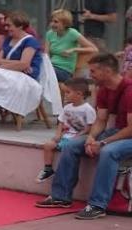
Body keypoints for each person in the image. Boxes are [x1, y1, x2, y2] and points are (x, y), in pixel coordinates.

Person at [39, 53, 132, 218]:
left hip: (128, 134)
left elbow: (131, 129)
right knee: (71, 145)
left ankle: (97, 205)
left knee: (108, 152)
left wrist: (102, 143)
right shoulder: (103, 90)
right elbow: (101, 120)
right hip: (118, 132)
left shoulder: (130, 91)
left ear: (107, 71)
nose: (90, 75)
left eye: (93, 71)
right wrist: (91, 138)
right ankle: (60, 196)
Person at [0, 11, 46, 130]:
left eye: (9, 25)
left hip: (26, 79)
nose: (6, 28)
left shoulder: (30, 41)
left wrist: (7, 65)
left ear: (20, 26)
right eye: (6, 25)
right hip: (11, 74)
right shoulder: (8, 40)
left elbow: (24, 64)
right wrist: (15, 64)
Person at [38, 79, 96, 182]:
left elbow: (90, 127)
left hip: (79, 137)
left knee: (68, 149)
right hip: (66, 136)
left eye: (68, 92)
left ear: (79, 94)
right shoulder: (67, 107)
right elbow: (61, 122)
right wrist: (58, 134)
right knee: (48, 145)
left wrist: (78, 136)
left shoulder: (88, 109)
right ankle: (48, 169)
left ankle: (68, 175)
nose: (65, 95)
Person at [45, 9, 97, 83]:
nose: (52, 24)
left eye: (55, 22)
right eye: (51, 21)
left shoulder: (72, 33)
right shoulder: (50, 34)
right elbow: (46, 54)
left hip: (64, 70)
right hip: (51, 66)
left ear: (65, 23)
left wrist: (74, 49)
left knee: (46, 73)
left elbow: (94, 49)